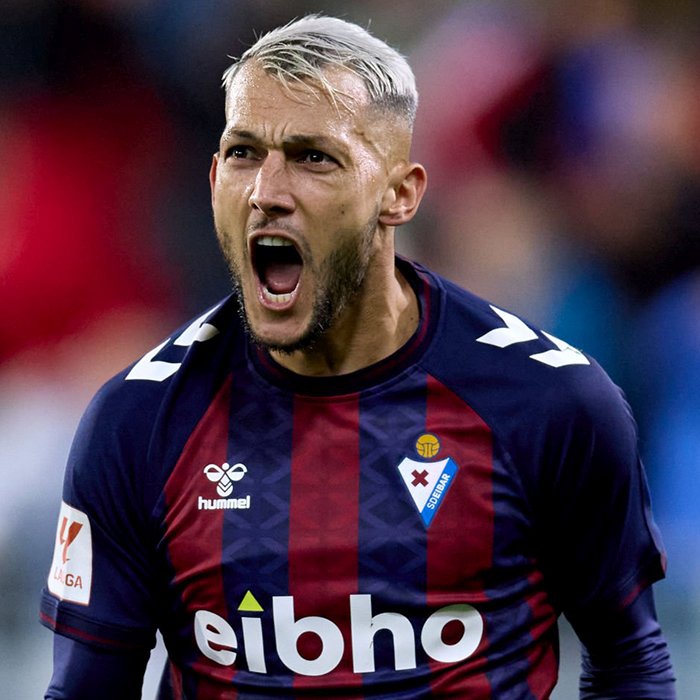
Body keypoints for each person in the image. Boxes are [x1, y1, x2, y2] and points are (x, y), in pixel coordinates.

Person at [40, 14, 675, 699]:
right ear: (216, 174)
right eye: (244, 153)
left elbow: (629, 662)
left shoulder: (549, 403)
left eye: (313, 157)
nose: (266, 193)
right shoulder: (140, 421)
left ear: (400, 194)